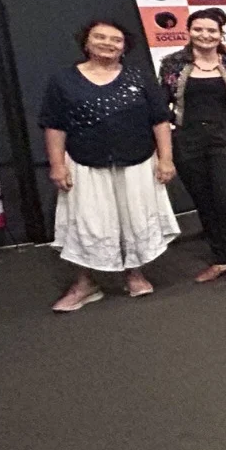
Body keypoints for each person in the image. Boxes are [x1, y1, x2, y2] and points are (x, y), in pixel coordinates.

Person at [42, 19, 180, 311]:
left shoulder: (139, 78)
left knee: (135, 219)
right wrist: (57, 165)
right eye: (100, 37)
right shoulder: (63, 81)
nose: (108, 43)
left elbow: (160, 120)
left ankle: (134, 274)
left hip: (136, 163)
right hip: (85, 164)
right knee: (85, 223)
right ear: (86, 42)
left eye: (116, 40)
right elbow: (54, 125)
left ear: (124, 47)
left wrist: (166, 159)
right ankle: (85, 284)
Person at [157, 7, 226, 284]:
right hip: (187, 139)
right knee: (204, 201)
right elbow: (161, 106)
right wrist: (164, 145)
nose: (205, 35)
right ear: (189, 32)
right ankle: (220, 259)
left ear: (220, 34)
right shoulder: (172, 64)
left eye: (211, 30)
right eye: (198, 29)